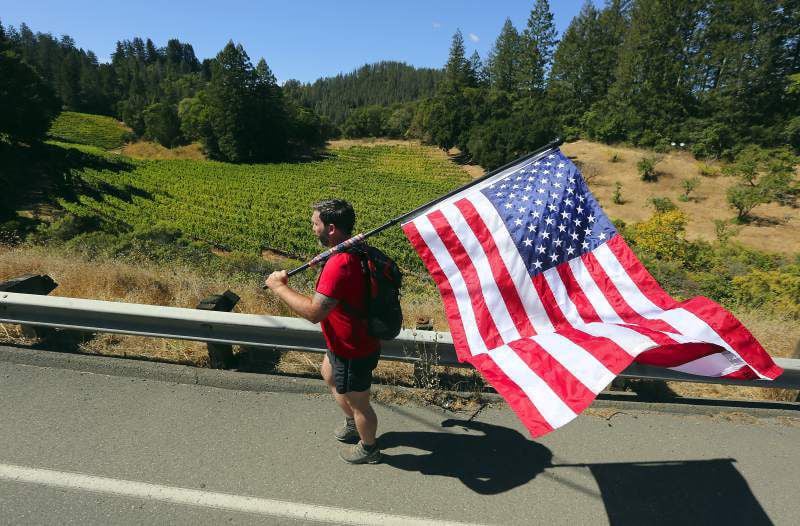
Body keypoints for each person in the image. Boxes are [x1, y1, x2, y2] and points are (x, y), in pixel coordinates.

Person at [264, 199, 381, 465]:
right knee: (328, 373)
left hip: (353, 347)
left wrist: (278, 287)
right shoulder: (357, 247)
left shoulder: (340, 263)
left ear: (330, 228)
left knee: (360, 402)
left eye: (314, 224)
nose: (311, 228)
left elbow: (314, 313)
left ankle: (369, 448)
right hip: (344, 340)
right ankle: (353, 422)